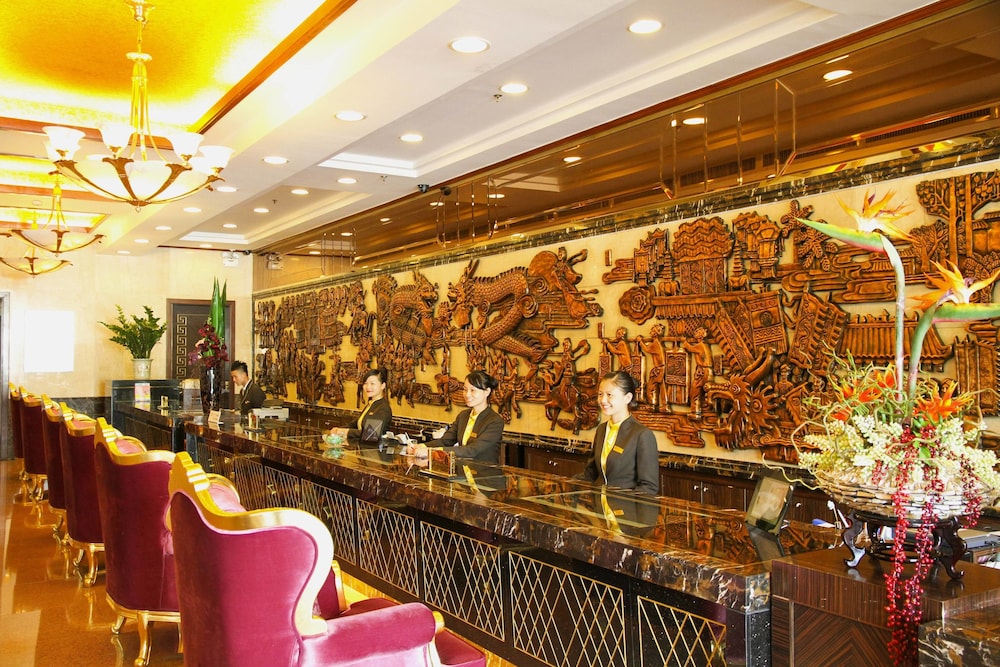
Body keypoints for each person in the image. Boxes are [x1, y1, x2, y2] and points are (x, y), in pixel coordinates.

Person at [576, 370, 659, 495]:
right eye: (600, 394)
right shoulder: (601, 429)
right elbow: (590, 474)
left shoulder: (642, 435)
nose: (603, 400)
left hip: (625, 506)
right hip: (599, 504)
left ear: (627, 398)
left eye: (609, 395)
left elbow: (649, 488)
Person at [425, 370, 504, 463]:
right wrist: (422, 446)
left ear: (487, 392)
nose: (467, 395)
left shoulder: (495, 421)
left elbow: (472, 450)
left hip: (484, 471)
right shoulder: (463, 416)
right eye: (465, 390)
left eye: (472, 390)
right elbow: (445, 441)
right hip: (464, 469)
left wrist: (433, 451)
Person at [330, 368, 392, 443]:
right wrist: (338, 429)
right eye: (365, 383)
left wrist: (345, 432)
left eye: (372, 384)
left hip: (374, 449)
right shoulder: (371, 404)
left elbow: (370, 434)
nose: (368, 387)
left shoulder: (383, 407)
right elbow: (357, 423)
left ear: (383, 386)